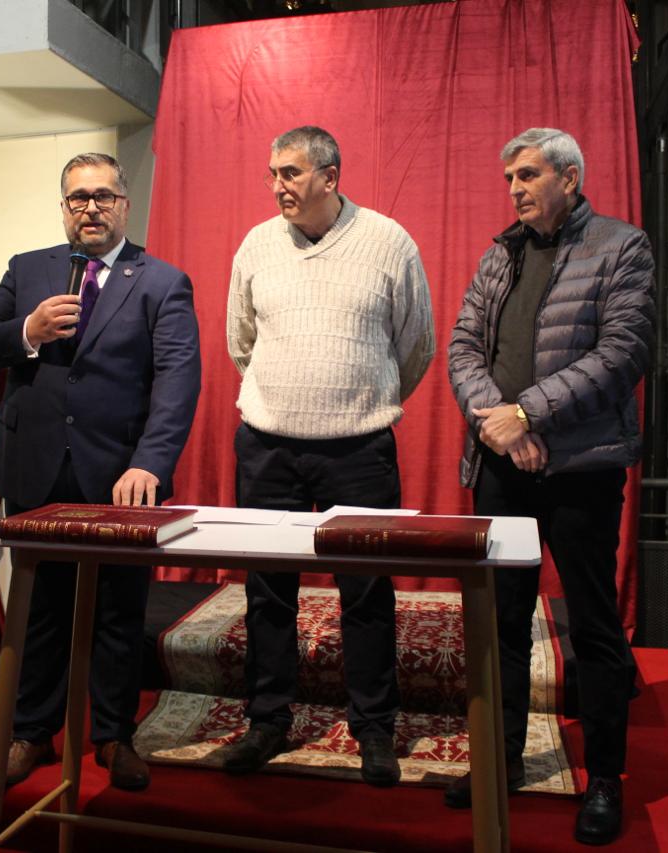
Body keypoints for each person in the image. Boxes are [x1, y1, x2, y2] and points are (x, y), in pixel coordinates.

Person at [0, 153, 201, 792]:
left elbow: (177, 381)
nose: (90, 208)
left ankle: (114, 736)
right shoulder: (28, 269)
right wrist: (28, 331)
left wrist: (150, 462)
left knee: (118, 614)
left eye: (103, 196)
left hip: (121, 477)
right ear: (63, 207)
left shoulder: (163, 282)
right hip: (34, 472)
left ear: (124, 204)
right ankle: (31, 732)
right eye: (77, 198)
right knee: (39, 611)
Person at [446, 128, 655, 845]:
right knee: (500, 621)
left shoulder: (621, 247)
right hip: (501, 468)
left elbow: (624, 351)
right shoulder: (499, 253)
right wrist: (500, 425)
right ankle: (501, 759)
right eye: (510, 177)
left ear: (569, 177)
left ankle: (604, 778)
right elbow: (463, 346)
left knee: (593, 625)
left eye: (529, 174)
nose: (515, 189)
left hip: (582, 471)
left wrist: (530, 412)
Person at [223, 126, 434, 787]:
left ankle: (375, 728)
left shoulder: (388, 242)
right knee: (267, 590)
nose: (277, 185)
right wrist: (286, 395)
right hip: (268, 446)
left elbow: (417, 344)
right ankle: (267, 721)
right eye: (272, 174)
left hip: (359, 448)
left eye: (290, 172)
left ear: (330, 176)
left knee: (367, 591)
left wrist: (362, 396)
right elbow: (241, 341)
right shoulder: (257, 245)